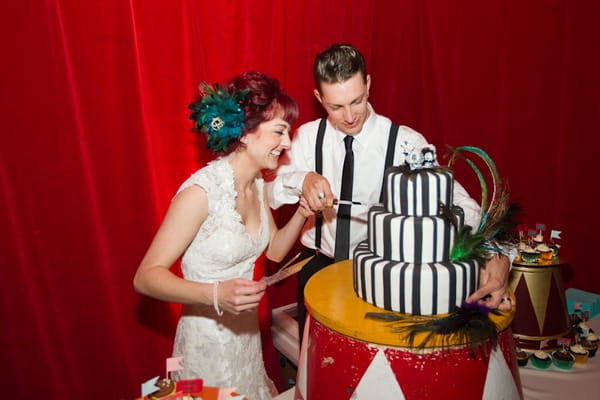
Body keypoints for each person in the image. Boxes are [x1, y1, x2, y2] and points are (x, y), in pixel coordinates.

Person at [266, 43, 512, 341]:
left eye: (356, 100)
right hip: (317, 265)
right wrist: (303, 178)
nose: (349, 116)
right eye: (336, 106)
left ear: (368, 84)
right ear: (319, 98)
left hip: (380, 275)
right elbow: (269, 192)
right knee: (316, 365)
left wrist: (495, 253)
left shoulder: (405, 142)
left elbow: (459, 203)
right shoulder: (306, 137)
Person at [133, 71, 313, 400]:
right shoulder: (201, 193)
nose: (288, 143)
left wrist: (303, 212)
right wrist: (216, 294)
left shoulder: (257, 183)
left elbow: (273, 251)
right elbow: (145, 278)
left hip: (245, 340)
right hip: (207, 348)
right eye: (280, 131)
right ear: (245, 134)